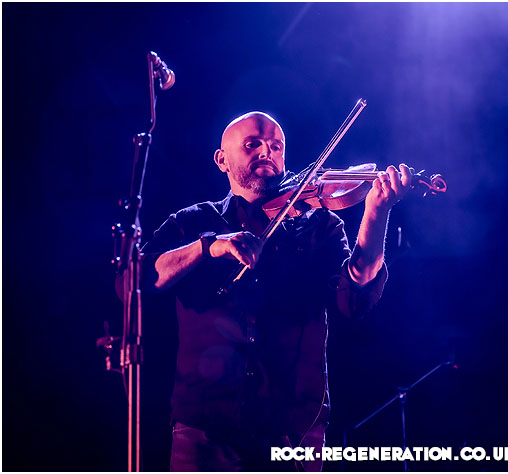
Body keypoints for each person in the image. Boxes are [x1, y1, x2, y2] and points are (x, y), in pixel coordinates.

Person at [140, 111, 413, 471]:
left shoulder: (320, 225)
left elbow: (354, 298)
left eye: (276, 146)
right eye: (252, 144)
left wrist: (376, 213)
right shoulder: (192, 222)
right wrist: (207, 247)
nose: (266, 152)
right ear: (222, 159)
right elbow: (138, 279)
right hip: (206, 431)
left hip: (294, 431)